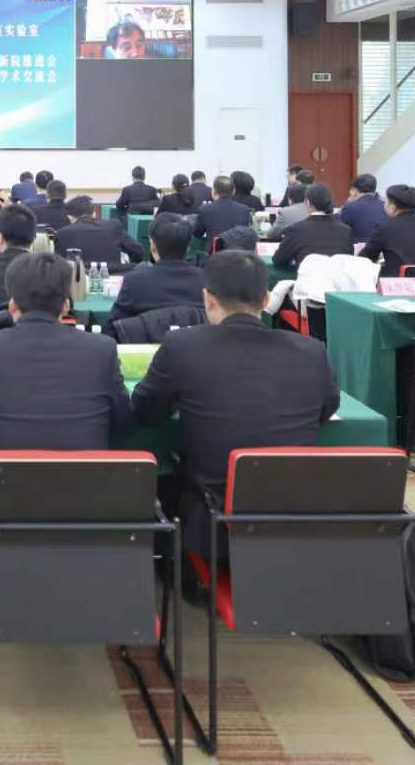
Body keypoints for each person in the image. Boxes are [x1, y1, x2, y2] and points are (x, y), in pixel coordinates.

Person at [132, 250, 339, 555]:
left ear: (208, 299)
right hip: (295, 520)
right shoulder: (311, 351)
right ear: (266, 299)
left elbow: (145, 411)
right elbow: (327, 408)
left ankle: (176, 568)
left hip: (214, 526)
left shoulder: (182, 346)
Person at [0, 252, 133, 448]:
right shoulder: (103, 350)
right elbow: (123, 421)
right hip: (86, 468)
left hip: (6, 468)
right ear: (66, 306)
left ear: (12, 305)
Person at [107, 215, 205, 334]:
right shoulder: (205, 281)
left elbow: (113, 329)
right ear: (189, 247)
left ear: (153, 246)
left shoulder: (135, 281)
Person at [360, 184, 415, 278]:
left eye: (386, 201)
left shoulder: (385, 227)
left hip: (397, 284)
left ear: (392, 207)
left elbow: (365, 259)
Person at [271, 183, 356, 272]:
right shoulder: (346, 231)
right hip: (338, 280)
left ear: (307, 202)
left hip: (308, 279)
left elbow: (278, 260)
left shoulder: (296, 230)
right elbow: (349, 259)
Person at [53, 196, 145, 273]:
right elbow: (138, 251)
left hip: (79, 280)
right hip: (115, 274)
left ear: (70, 216)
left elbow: (59, 265)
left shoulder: (62, 233)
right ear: (94, 213)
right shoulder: (113, 226)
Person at [194, 176, 258, 249]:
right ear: (233, 192)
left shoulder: (205, 209)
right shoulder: (244, 210)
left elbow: (197, 234)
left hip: (215, 253)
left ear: (213, 191)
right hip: (239, 253)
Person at [337, 174, 388, 241]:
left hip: (359, 246)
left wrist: (346, 204)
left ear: (355, 190)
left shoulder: (350, 207)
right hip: (383, 245)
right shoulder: (386, 206)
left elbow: (338, 229)